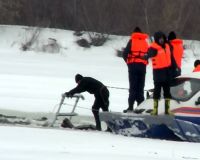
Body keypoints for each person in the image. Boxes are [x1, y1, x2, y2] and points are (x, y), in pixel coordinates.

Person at [143, 31, 172, 115]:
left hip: (167, 71)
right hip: (158, 73)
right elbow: (149, 54)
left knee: (167, 91)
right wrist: (146, 56)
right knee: (157, 92)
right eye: (160, 39)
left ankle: (167, 110)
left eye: (162, 38)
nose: (161, 40)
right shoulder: (153, 48)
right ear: (156, 39)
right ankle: (155, 110)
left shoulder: (167, 46)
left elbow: (171, 56)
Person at [122, 27, 149, 113]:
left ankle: (130, 107)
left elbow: (125, 54)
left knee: (133, 87)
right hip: (142, 67)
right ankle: (140, 107)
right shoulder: (145, 42)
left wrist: (128, 63)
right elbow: (148, 55)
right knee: (140, 87)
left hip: (133, 66)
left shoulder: (132, 41)